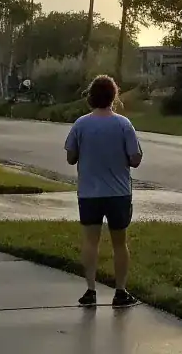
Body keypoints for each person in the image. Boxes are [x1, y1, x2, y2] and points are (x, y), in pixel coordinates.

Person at [64, 74, 143, 308]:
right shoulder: (123, 124)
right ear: (113, 96)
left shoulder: (81, 124)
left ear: (91, 96)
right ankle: (120, 292)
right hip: (118, 193)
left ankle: (90, 290)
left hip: (89, 192)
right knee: (120, 243)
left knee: (91, 241)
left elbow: (70, 157)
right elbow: (135, 159)